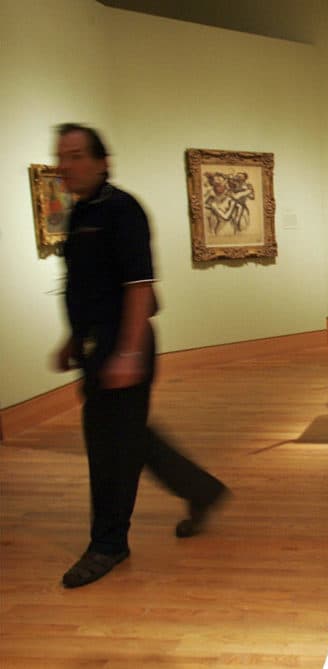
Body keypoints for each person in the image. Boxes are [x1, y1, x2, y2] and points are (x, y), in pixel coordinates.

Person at [53, 123, 229, 589]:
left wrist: (128, 351)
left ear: (101, 161)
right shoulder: (80, 214)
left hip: (123, 346)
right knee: (127, 438)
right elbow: (86, 285)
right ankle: (201, 490)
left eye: (74, 156)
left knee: (110, 448)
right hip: (99, 347)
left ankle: (108, 543)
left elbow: (139, 288)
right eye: (61, 156)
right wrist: (73, 339)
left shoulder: (121, 210)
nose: (64, 165)